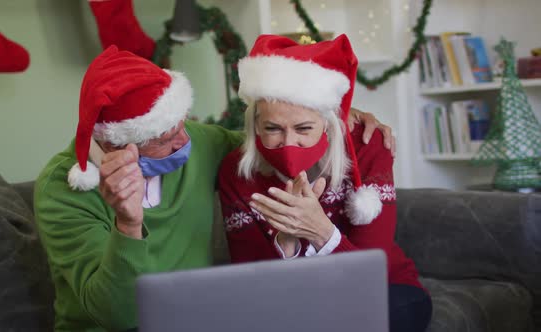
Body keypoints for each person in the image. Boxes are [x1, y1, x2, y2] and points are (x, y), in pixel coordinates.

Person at [34, 45, 396, 331]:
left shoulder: (198, 142)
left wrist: (337, 113)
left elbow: (276, 136)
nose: (183, 140)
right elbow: (118, 316)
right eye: (165, 138)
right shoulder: (63, 189)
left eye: (182, 124)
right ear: (116, 144)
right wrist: (128, 224)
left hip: (197, 320)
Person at [218, 34, 432, 332]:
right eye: (272, 128)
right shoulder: (236, 170)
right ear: (255, 125)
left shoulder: (368, 147)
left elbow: (371, 273)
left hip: (385, 288)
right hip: (294, 301)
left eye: (304, 128)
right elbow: (254, 280)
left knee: (387, 315)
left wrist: (322, 233)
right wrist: (287, 242)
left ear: (330, 122)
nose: (288, 142)